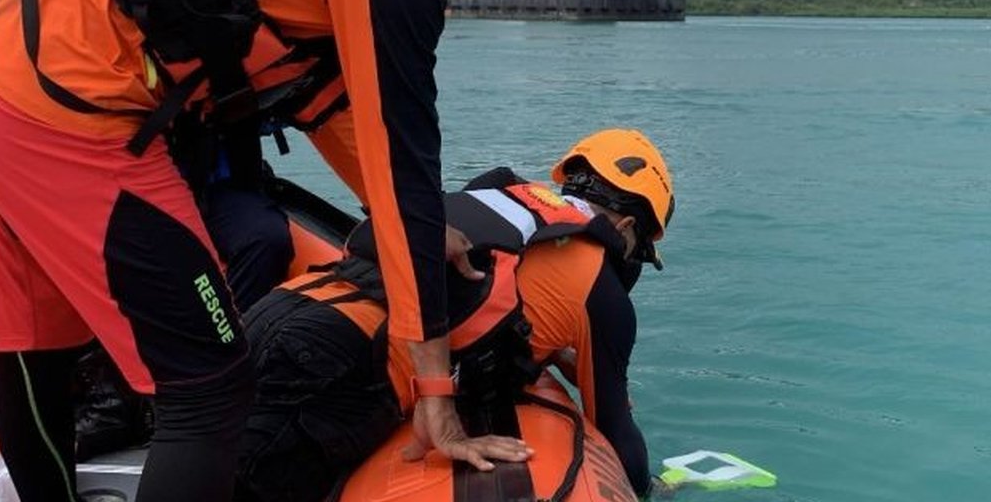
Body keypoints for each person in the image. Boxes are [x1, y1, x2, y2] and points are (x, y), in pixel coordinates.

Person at [0, 0, 595, 500]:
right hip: (67, 110)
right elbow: (403, 156)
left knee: (37, 350)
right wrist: (436, 390)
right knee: (211, 387)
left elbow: (330, 106)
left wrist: (419, 227)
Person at [233, 128, 675, 501]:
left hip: (280, 310)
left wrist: (552, 350)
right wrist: (648, 488)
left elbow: (472, 289)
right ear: (625, 229)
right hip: (341, 368)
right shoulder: (604, 292)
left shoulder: (496, 192)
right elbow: (616, 426)